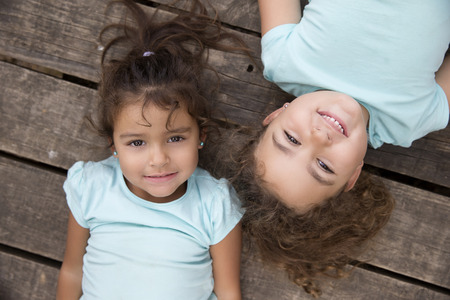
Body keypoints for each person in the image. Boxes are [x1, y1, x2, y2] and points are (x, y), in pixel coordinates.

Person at [217, 0, 449, 296]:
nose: (319, 137)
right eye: (324, 167)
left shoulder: (285, 61)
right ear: (353, 175)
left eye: (291, 139)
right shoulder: (411, 121)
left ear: (276, 115)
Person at [56, 0, 247, 299]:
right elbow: (72, 270)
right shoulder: (92, 187)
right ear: (113, 145)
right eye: (136, 142)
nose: (158, 160)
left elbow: (227, 291)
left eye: (175, 138)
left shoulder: (213, 204)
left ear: (201, 135)